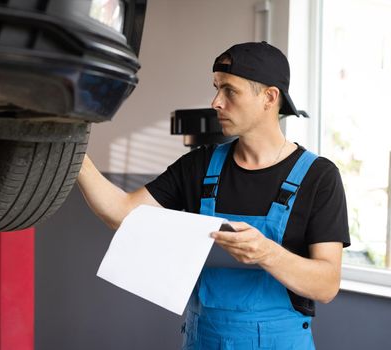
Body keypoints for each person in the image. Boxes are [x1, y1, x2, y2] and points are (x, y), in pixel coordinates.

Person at [77, 41, 350, 350]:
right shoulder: (200, 165)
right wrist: (73, 156)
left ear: (269, 98)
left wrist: (265, 253)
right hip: (203, 339)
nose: (216, 102)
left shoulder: (319, 177)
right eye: (216, 88)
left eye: (230, 91)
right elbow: (121, 214)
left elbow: (327, 284)